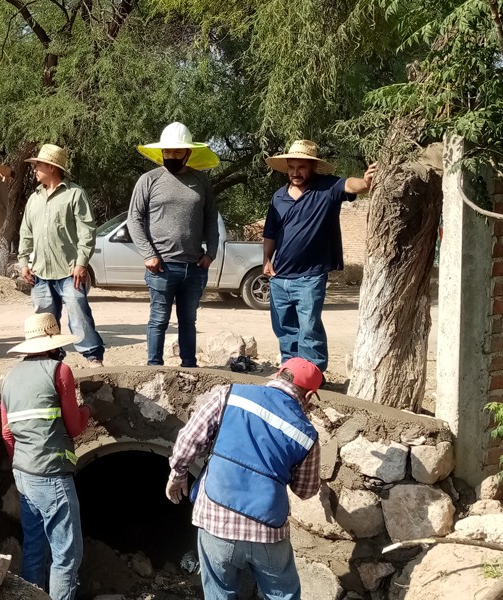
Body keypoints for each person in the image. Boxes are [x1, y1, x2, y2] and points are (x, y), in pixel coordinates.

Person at [165, 357, 324, 600]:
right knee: (282, 595)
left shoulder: (230, 395)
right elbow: (305, 490)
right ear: (310, 396)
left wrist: (177, 474)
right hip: (267, 529)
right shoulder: (307, 434)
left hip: (216, 519)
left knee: (219, 592)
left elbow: (190, 439)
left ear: (277, 374)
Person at [262, 140, 376, 371]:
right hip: (280, 277)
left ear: (312, 167)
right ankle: (290, 373)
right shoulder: (278, 197)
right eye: (291, 167)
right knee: (285, 330)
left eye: (301, 167)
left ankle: (313, 376)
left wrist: (365, 183)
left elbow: (351, 186)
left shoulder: (327, 188)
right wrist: (266, 260)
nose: (296, 172)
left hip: (310, 277)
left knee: (309, 329)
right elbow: (270, 233)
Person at [0, 313, 90, 600]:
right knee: (67, 556)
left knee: (35, 548)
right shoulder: (59, 371)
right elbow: (74, 427)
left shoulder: (9, 378)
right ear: (54, 343)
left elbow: (6, 433)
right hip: (52, 476)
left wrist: (24, 463)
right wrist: (87, 411)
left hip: (23, 474)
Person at [128, 122, 221, 368]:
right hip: (161, 267)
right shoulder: (148, 180)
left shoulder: (201, 181)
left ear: (188, 153)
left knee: (188, 321)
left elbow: (211, 218)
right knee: (158, 319)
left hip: (194, 266)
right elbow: (134, 219)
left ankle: (189, 366)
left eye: (177, 152)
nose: (171, 156)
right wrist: (148, 254)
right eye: (167, 152)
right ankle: (154, 367)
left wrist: (211, 253)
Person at [18, 144, 106, 368]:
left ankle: (92, 356)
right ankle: (48, 359)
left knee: (78, 312)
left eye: (38, 164)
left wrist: (81, 263)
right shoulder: (34, 199)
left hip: (69, 271)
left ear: (51, 167)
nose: (35, 169)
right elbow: (26, 232)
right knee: (44, 319)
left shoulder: (75, 194)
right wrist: (23, 262)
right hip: (40, 272)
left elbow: (87, 231)